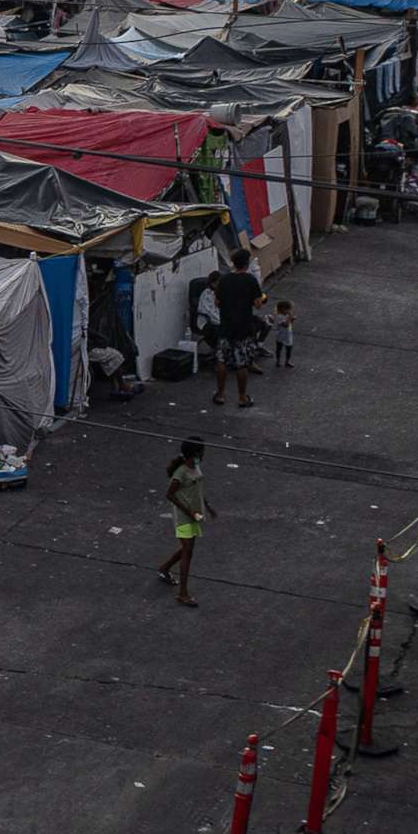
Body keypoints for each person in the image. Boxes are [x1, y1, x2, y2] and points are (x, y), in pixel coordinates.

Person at [155, 440, 210, 609]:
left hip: (194, 515)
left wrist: (207, 506)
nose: (203, 455)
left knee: (187, 549)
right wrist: (190, 512)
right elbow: (170, 495)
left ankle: (165, 568)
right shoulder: (181, 473)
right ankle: (183, 593)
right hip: (184, 517)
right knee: (188, 552)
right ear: (194, 454)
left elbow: (197, 490)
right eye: (201, 452)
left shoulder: (194, 467)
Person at [208, 251, 266, 410]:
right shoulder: (250, 280)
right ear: (246, 264)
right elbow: (258, 304)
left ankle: (220, 394)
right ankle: (241, 397)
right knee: (242, 364)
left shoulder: (224, 280)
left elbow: (217, 302)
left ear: (233, 263)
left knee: (221, 360)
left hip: (226, 326)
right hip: (243, 327)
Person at [269, 299, 296, 370]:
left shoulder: (287, 315)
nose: (290, 311)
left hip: (288, 336)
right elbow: (286, 325)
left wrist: (292, 320)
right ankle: (278, 361)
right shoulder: (279, 317)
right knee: (279, 349)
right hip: (280, 336)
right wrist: (290, 317)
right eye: (289, 309)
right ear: (283, 309)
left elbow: (290, 324)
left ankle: (287, 361)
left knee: (289, 350)